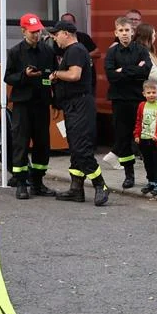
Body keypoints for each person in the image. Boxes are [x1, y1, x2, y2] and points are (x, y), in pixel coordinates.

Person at [47, 20, 110, 206]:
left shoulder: (75, 50)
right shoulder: (76, 50)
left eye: (56, 34)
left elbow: (74, 75)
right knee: (75, 148)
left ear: (66, 33)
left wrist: (56, 75)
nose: (54, 38)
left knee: (81, 147)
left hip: (80, 104)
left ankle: (100, 184)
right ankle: (76, 189)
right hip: (73, 105)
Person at [4, 13, 58, 199]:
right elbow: (7, 77)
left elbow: (53, 74)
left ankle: (38, 182)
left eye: (38, 31)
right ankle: (21, 183)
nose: (36, 35)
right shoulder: (15, 52)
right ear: (23, 31)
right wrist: (24, 75)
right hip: (22, 104)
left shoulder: (47, 51)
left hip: (42, 102)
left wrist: (54, 95)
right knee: (21, 142)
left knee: (42, 143)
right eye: (32, 32)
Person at [105, 16, 151, 189]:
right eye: (121, 31)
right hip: (119, 100)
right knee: (123, 138)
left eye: (127, 30)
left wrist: (122, 70)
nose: (124, 34)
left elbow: (145, 71)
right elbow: (111, 76)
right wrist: (133, 70)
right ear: (116, 33)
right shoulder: (112, 52)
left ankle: (151, 175)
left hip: (138, 99)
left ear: (133, 32)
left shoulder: (141, 50)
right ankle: (129, 175)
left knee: (144, 138)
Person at [133, 80, 157, 196]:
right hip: (144, 139)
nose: (151, 95)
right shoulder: (141, 106)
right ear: (144, 94)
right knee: (148, 162)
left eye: (154, 92)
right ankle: (151, 181)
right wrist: (136, 135)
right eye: (148, 93)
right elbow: (139, 121)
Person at [60, 13, 99, 91]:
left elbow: (97, 52)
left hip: (85, 81)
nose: (67, 25)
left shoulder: (83, 38)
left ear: (74, 23)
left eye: (70, 22)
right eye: (65, 22)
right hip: (68, 83)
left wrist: (83, 56)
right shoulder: (59, 41)